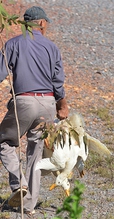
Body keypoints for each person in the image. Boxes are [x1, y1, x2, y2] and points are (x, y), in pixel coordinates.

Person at [0, 6, 69, 215]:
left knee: (4, 141)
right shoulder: (52, 47)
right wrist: (61, 107)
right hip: (47, 104)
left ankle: (18, 183)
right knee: (35, 155)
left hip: (24, 102)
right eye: (45, 23)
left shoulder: (13, 44)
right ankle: (28, 206)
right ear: (40, 23)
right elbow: (58, 83)